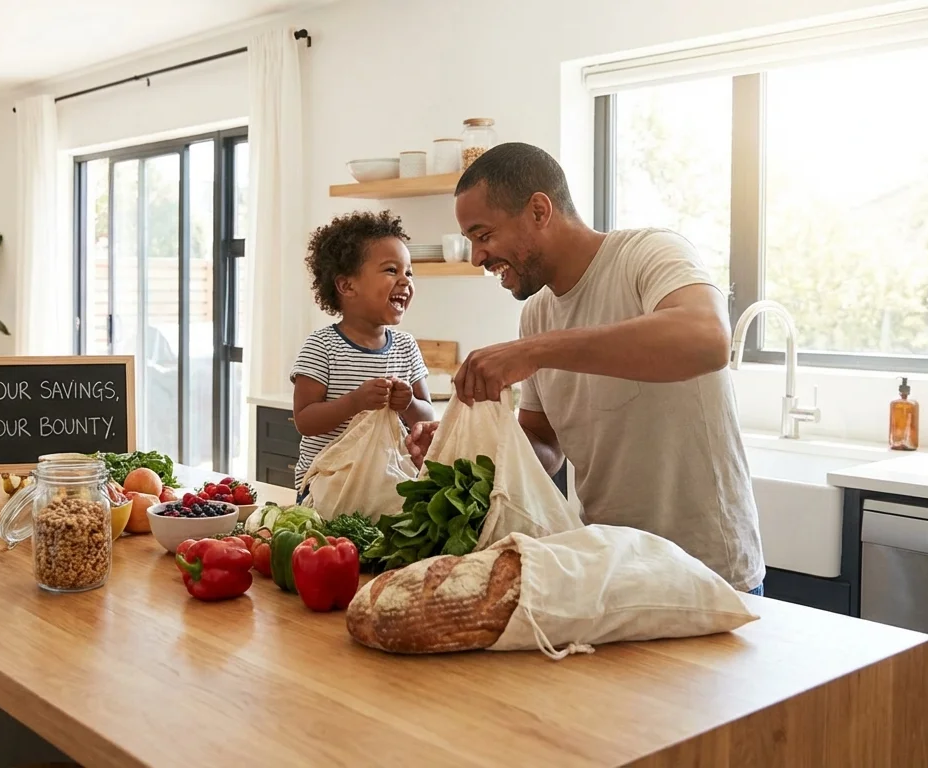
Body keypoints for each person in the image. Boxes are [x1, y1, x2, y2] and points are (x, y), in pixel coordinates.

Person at [406, 143, 763, 594]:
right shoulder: (536, 314)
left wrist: (534, 351)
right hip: (609, 570)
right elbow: (544, 445)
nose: (477, 257)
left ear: (539, 210)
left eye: (484, 235)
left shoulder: (648, 254)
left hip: (709, 572)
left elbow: (708, 339)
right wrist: (473, 452)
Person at [291, 210, 435, 496]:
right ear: (347, 285)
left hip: (390, 488)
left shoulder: (406, 347)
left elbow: (427, 417)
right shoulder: (322, 347)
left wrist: (408, 404)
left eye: (409, 272)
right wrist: (355, 402)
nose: (405, 281)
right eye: (391, 270)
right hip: (326, 487)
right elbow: (304, 420)